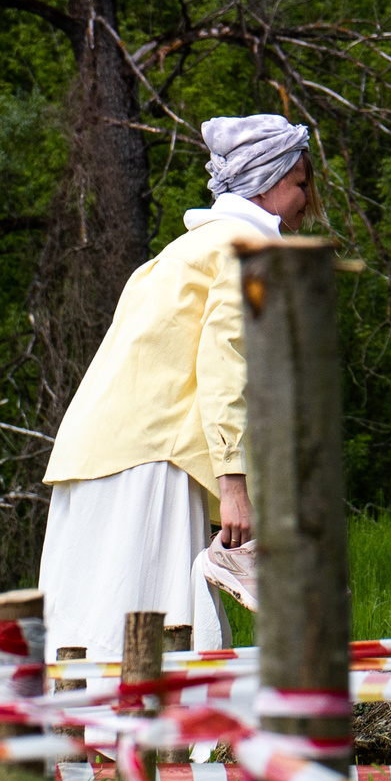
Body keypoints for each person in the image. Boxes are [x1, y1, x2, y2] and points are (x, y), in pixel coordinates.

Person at [38, 114, 313, 657]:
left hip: (94, 458)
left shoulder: (179, 253)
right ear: (272, 179)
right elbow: (225, 361)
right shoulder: (250, 250)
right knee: (149, 640)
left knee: (86, 640)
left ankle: (84, 745)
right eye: (302, 183)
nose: (306, 198)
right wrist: (235, 484)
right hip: (152, 465)